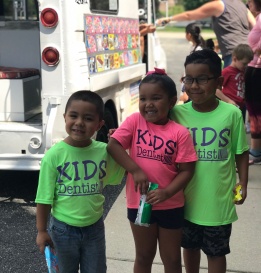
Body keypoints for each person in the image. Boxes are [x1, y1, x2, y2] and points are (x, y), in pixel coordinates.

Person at [107, 68, 197, 273]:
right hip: (140, 203)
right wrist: (135, 170)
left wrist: (167, 192)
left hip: (171, 205)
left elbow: (187, 171)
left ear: (172, 101)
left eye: (156, 98)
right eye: (143, 98)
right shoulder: (134, 122)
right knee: (144, 255)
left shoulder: (180, 133)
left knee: (172, 259)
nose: (148, 104)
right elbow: (113, 145)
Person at [170, 49, 249, 273]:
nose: (194, 86)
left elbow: (241, 152)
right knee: (190, 248)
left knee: (216, 253)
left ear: (219, 82)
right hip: (185, 200)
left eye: (202, 79)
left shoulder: (231, 114)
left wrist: (242, 183)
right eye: (189, 79)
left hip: (219, 202)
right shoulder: (177, 115)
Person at [35, 91, 125, 273]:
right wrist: (41, 230)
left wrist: (118, 145)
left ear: (100, 124)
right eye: (73, 116)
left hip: (95, 228)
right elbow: (44, 198)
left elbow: (117, 176)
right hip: (63, 230)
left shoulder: (104, 151)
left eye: (88, 118)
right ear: (64, 117)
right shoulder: (54, 155)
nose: (79, 123)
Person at [157, 0, 256, 68]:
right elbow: (254, 26)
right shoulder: (241, 5)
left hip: (233, 55)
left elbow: (189, 15)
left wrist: (169, 19)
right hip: (248, 53)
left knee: (231, 92)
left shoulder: (219, 5)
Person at [216, 44, 254, 123]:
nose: (246, 66)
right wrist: (228, 101)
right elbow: (215, 90)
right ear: (235, 59)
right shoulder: (227, 71)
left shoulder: (242, 71)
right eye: (244, 63)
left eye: (248, 63)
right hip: (229, 107)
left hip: (241, 107)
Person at [244, 0, 261, 163]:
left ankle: (256, 151)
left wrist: (255, 51)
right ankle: (256, 150)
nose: (248, 3)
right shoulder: (257, 18)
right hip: (253, 66)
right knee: (254, 111)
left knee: (256, 111)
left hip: (257, 69)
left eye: (249, 1)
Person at [180, 23, 205, 103]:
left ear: (189, 34)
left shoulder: (198, 51)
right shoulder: (194, 48)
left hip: (191, 87)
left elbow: (195, 73)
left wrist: (186, 91)